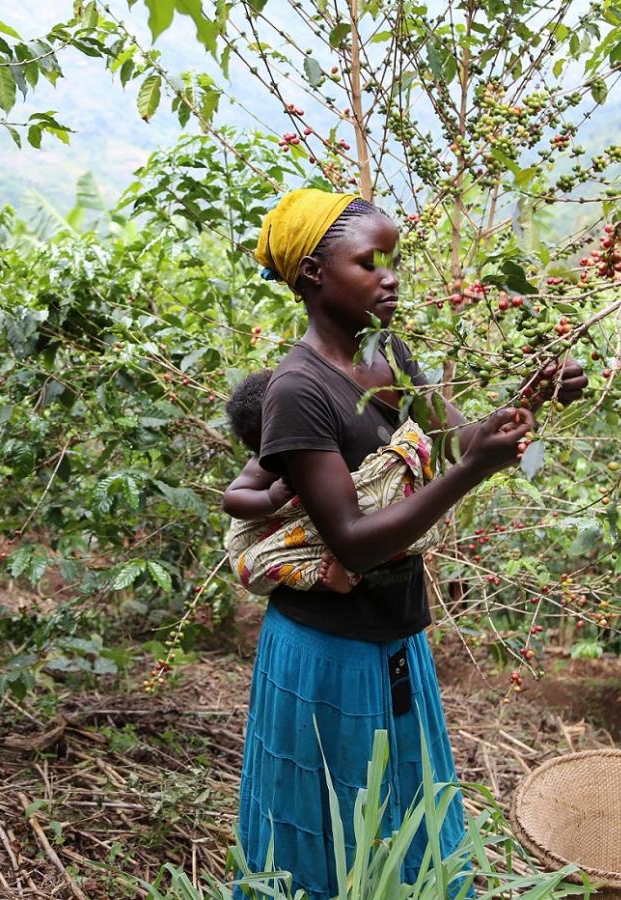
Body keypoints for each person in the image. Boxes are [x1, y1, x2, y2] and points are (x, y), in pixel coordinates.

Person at [234, 188, 587, 899]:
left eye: (393, 261)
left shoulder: (386, 350)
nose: (391, 277)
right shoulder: (298, 391)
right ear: (312, 274)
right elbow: (355, 543)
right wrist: (473, 472)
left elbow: (458, 436)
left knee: (403, 825)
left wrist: (535, 396)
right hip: (327, 654)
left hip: (397, 634)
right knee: (330, 838)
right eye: (371, 262)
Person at [223, 369, 438, 595]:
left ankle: (346, 571)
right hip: (299, 541)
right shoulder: (268, 460)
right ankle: (335, 579)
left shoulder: (343, 425)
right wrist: (270, 497)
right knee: (266, 564)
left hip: (365, 545)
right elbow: (232, 499)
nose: (286, 455)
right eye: (273, 449)